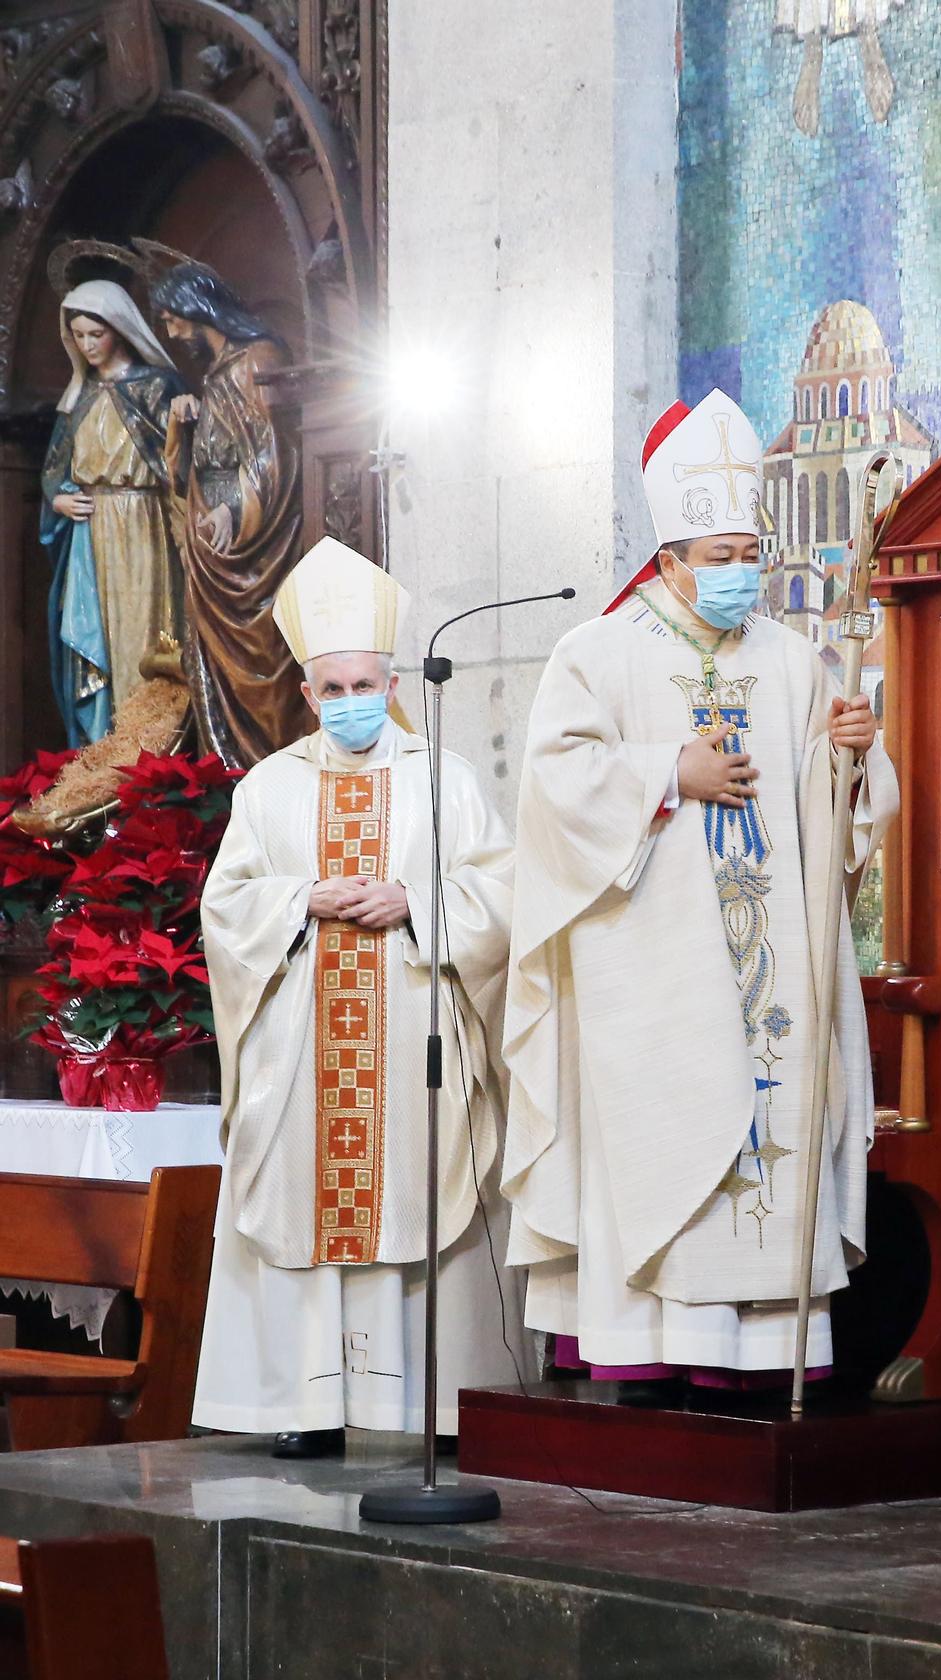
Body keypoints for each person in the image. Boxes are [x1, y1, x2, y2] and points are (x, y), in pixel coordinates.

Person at [502, 389, 897, 1399]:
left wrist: (851, 758)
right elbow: (552, 787)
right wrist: (666, 775)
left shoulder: (791, 658)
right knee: (662, 1140)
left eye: (745, 555)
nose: (735, 576)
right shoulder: (595, 653)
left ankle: (757, 1361)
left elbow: (834, 819)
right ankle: (647, 1355)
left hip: (769, 974)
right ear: (669, 558)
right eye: (714, 558)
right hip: (649, 970)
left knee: (764, 1132)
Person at [194, 537, 519, 1457]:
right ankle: (306, 1405)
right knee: (303, 1195)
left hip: (412, 1023)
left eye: (363, 686)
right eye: (330, 691)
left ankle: (423, 1404)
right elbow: (227, 907)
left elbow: (499, 894)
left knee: (421, 1188)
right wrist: (301, 900)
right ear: (306, 696)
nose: (348, 704)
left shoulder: (442, 778)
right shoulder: (268, 788)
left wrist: (418, 905)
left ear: (393, 681)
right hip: (303, 1047)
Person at [151, 261, 308, 769]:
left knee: (262, 657)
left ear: (198, 309)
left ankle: (275, 769)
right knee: (213, 662)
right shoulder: (215, 374)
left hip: (251, 545)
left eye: (173, 318)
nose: (170, 331)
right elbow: (185, 472)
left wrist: (232, 508)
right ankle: (229, 778)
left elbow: (274, 450)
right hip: (211, 548)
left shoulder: (257, 358)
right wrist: (181, 425)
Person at [39, 278, 186, 743]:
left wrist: (184, 417)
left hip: (144, 523)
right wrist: (58, 499)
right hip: (92, 532)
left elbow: (182, 465)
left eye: (94, 334)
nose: (87, 345)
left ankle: (146, 744)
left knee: (144, 629)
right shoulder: (79, 396)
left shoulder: (156, 387)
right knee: (96, 631)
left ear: (119, 330)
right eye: (78, 336)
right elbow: (53, 471)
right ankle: (106, 742)